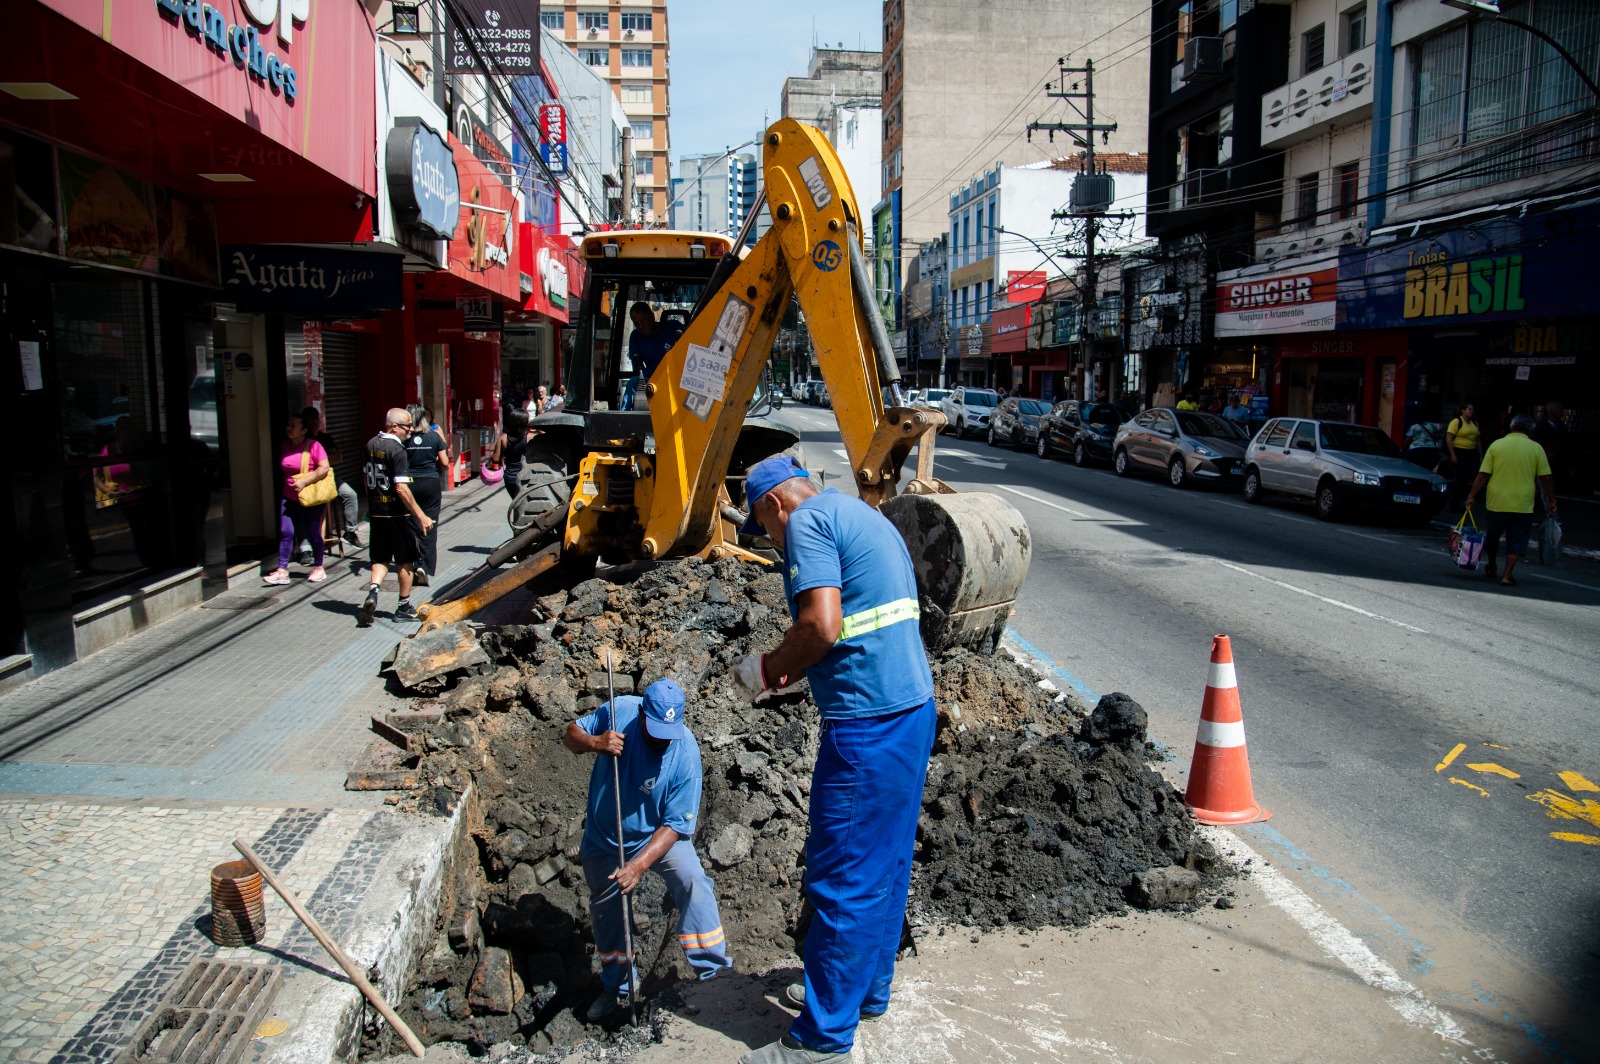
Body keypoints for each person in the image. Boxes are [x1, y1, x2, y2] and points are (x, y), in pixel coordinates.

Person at [731, 456, 938, 1064]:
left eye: (763, 528)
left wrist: (766, 670)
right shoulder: (860, 513)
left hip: (867, 723)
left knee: (843, 874)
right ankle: (861, 992)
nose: (771, 541)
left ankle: (822, 1040)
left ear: (774, 505)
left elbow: (821, 626)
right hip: (910, 708)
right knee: (885, 863)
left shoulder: (807, 524)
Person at [564, 678, 733, 1021]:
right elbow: (569, 736)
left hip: (654, 837)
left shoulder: (685, 752)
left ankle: (716, 975)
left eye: (668, 732)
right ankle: (617, 987)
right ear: (641, 714)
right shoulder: (619, 710)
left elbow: (675, 826)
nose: (661, 740)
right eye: (655, 730)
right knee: (608, 914)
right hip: (603, 839)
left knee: (693, 881)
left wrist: (639, 865)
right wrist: (596, 742)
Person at [358, 407, 434, 625]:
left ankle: (373, 591)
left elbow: (366, 480)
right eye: (406, 426)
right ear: (393, 427)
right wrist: (421, 515)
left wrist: (372, 503)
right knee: (405, 561)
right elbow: (401, 488)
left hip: (377, 514)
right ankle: (403, 606)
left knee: (380, 557)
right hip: (397, 515)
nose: (410, 430)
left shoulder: (371, 444)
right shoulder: (398, 450)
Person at [1464, 413, 1556, 588]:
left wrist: (1471, 495)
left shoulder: (1496, 445)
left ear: (1511, 427)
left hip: (1496, 501)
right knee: (1517, 540)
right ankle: (1507, 575)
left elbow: (1483, 474)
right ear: (1530, 430)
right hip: (1522, 503)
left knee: (1492, 537)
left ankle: (1491, 566)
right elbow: (1546, 478)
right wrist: (1552, 500)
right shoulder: (1536, 448)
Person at [266, 413, 332, 585]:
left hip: (309, 496)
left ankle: (319, 567)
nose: (289, 429)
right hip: (289, 496)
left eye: (293, 425)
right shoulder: (284, 446)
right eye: (288, 425)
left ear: (304, 430)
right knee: (286, 531)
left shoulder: (314, 446)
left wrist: (304, 481)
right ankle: (282, 570)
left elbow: (324, 468)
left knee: (313, 532)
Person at [402, 404, 449, 586]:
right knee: (430, 523)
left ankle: (413, 562)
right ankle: (426, 566)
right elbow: (444, 462)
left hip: (410, 484)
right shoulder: (434, 436)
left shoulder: (404, 440)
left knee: (412, 523)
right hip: (430, 483)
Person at [302, 407, 361, 547]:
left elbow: (338, 457)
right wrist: (323, 460)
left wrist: (320, 460)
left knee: (350, 494)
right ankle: (306, 546)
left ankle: (350, 531)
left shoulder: (325, 438)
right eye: (310, 419)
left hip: (327, 478)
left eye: (316, 418)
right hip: (308, 479)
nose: (314, 422)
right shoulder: (304, 440)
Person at [622, 302, 684, 410]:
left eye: (643, 321)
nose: (640, 326)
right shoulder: (636, 337)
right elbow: (637, 368)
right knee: (634, 383)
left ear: (651, 316)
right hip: (652, 380)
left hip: (677, 378)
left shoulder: (673, 328)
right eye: (636, 324)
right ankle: (622, 421)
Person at [488, 409, 535, 501]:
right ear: (524, 422)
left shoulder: (503, 438)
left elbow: (495, 459)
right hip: (526, 476)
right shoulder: (530, 437)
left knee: (516, 501)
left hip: (510, 477)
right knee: (525, 503)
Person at [1444, 403, 1482, 509]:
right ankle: (1453, 503)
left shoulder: (1474, 423)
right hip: (1459, 451)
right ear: (1463, 410)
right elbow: (1449, 438)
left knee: (1467, 477)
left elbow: (1477, 439)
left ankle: (1458, 500)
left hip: (1470, 452)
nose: (1471, 411)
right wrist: (1452, 454)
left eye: (1472, 409)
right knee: (1461, 477)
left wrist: (1480, 454)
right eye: (1469, 409)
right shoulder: (1457, 422)